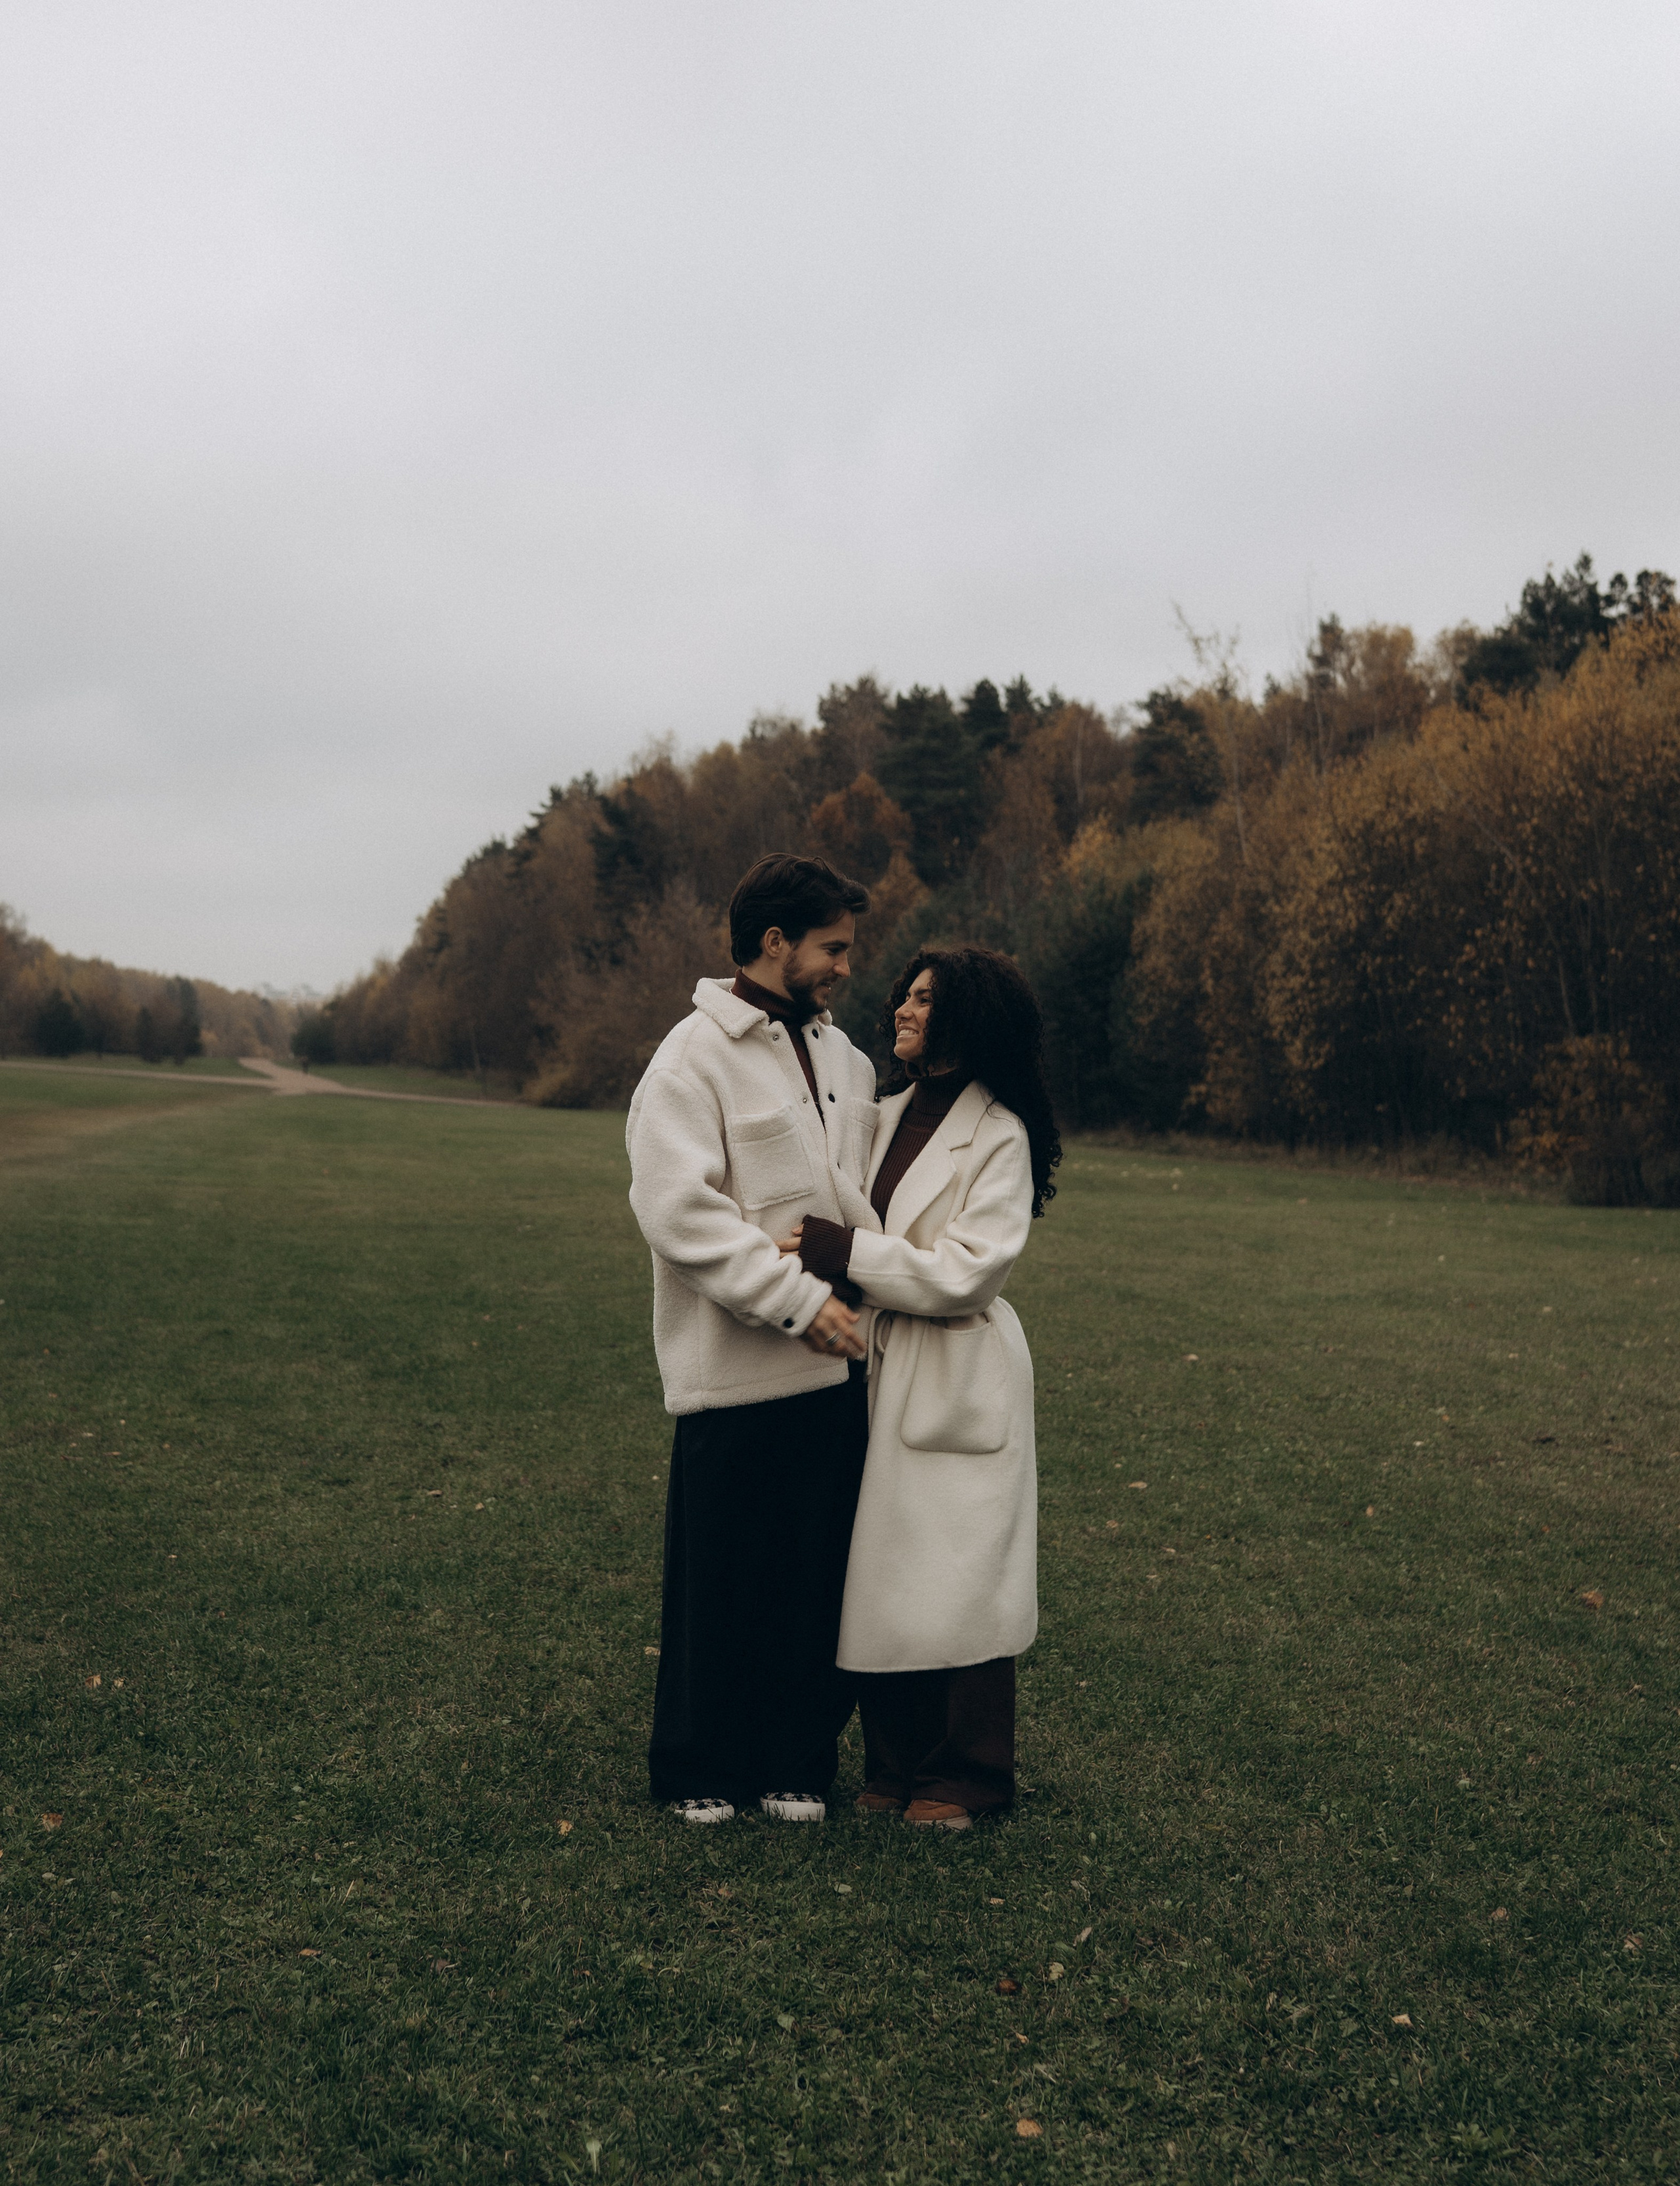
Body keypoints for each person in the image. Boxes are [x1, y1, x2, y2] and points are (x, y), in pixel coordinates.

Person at [625, 852, 882, 1825]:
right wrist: (793, 1299)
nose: (845, 966)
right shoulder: (689, 1059)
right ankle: (698, 1767)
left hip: (835, 1380)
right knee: (720, 1585)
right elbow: (678, 1210)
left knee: (811, 1582)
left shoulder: (849, 1061)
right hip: (731, 1382)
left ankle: (794, 1764)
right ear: (775, 943)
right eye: (833, 947)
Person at [784, 944, 1060, 1830]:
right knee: (882, 1570)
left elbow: (969, 1274)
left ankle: (970, 1776)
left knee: (961, 1574)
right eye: (905, 994)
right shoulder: (877, 1114)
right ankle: (895, 1764)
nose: (902, 1007)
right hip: (871, 1363)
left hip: (957, 1373)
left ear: (968, 1021)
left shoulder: (1001, 1134)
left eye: (927, 1000)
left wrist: (848, 1254)